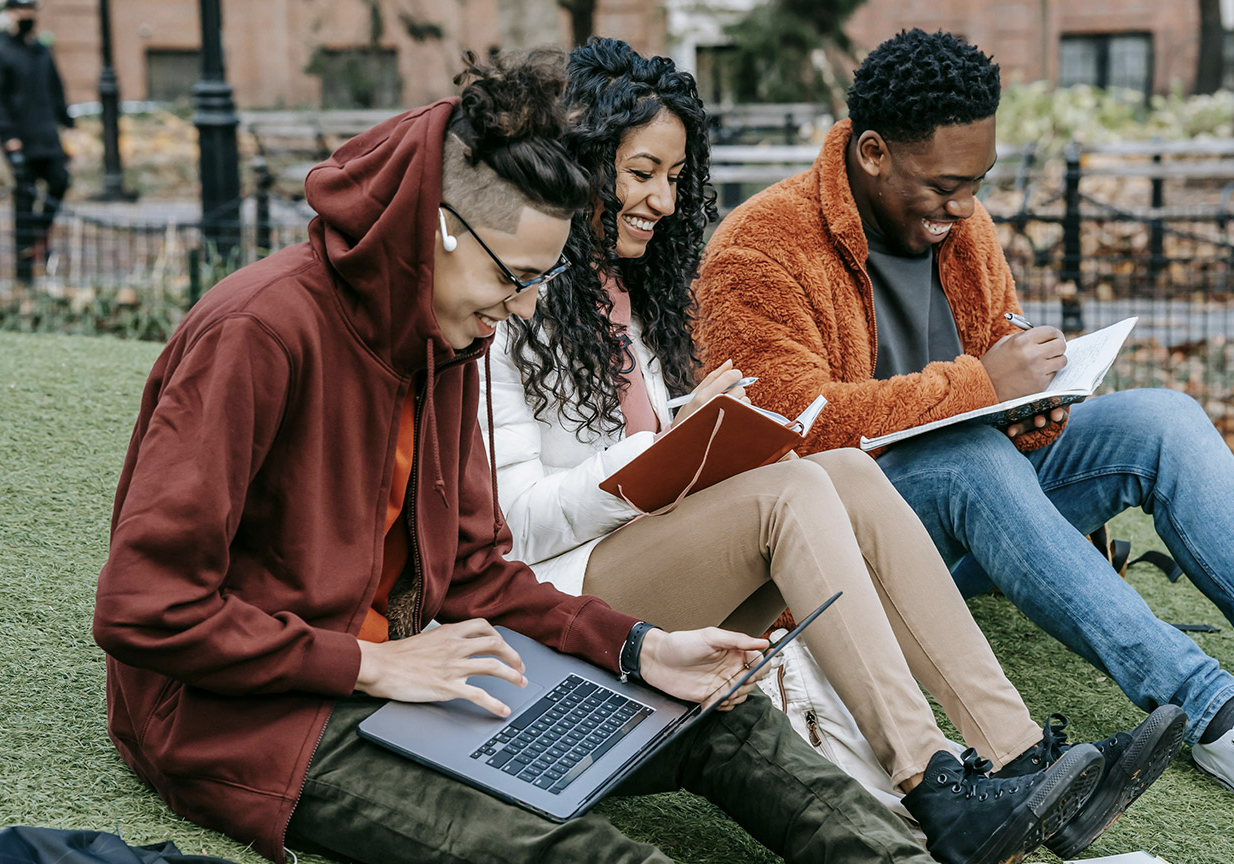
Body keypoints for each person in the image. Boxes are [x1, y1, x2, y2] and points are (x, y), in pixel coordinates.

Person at [91, 49, 951, 864]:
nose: (526, 306)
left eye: (540, 279)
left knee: (723, 720)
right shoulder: (258, 333)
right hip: (261, 721)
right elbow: (144, 605)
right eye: (514, 277)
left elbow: (474, 569)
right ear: (442, 231)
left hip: (425, 674)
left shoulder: (448, 337)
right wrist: (370, 663)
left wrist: (640, 648)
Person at [694, 29, 1234, 839]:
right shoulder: (758, 247)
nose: (964, 208)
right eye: (945, 186)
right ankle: (1219, 716)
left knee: (1163, 419)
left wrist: (1032, 405)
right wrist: (980, 389)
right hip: (856, 543)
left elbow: (996, 346)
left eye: (978, 183)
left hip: (983, 499)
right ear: (873, 152)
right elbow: (782, 435)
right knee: (963, 456)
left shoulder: (961, 226)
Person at [483, 38, 1182, 864]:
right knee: (795, 491)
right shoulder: (502, 303)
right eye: (641, 174)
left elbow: (661, 457)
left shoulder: (639, 297)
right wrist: (663, 448)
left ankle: (1018, 757)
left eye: (674, 178)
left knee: (840, 470)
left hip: (649, 559)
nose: (663, 201)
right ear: (581, 163)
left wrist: (703, 436)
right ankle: (933, 781)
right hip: (563, 601)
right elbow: (515, 529)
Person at [0, 0, 72, 284]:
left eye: (32, 9)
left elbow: (56, 92)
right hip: (20, 141)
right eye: (22, 9)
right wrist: (9, 137)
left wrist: (69, 125)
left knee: (60, 182)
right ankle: (24, 276)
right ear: (10, 13)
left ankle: (37, 236)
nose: (28, 14)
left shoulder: (41, 50)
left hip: (48, 137)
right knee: (24, 200)